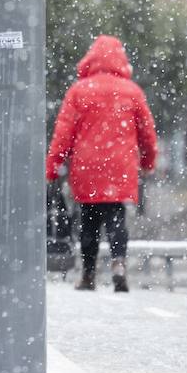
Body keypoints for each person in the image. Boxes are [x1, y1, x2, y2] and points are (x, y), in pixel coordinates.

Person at [45, 35, 157, 293]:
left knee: (89, 222)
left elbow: (63, 135)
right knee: (117, 217)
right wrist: (148, 162)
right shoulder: (132, 92)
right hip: (120, 166)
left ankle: (88, 274)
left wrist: (52, 167)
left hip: (87, 166)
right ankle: (118, 263)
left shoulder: (78, 91)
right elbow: (147, 133)